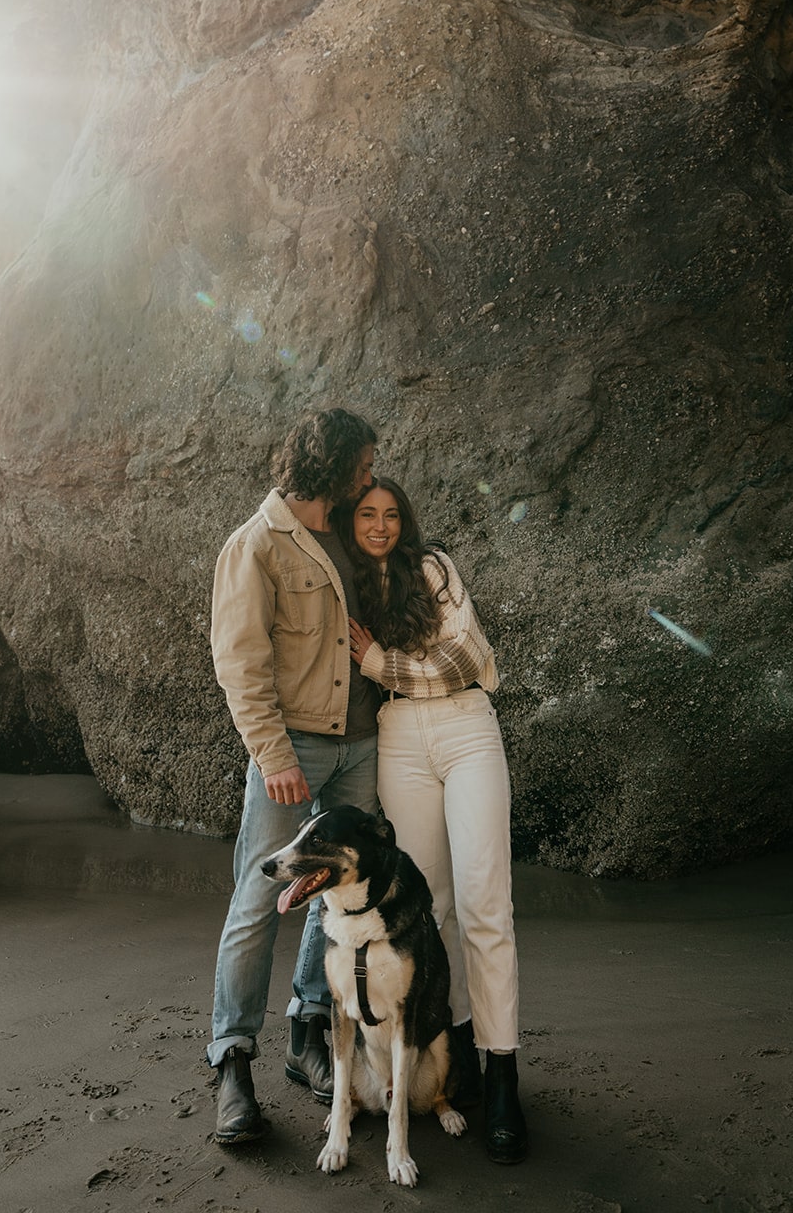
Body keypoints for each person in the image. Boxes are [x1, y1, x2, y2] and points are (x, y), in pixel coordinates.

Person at [337, 478, 527, 1165]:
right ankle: (452, 1058)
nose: (381, 525)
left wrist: (380, 662)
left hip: (466, 730)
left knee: (485, 906)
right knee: (429, 908)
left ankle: (502, 1073)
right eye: (367, 514)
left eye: (391, 514)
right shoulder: (347, 586)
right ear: (348, 522)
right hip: (397, 743)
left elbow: (466, 658)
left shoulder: (433, 567)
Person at [207, 407, 380, 1145]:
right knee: (260, 893)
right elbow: (239, 662)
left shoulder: (341, 535)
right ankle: (231, 1061)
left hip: (363, 746)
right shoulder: (255, 545)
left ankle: (306, 1031)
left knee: (329, 894)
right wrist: (273, 755)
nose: (371, 476)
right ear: (335, 465)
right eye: (363, 464)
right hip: (296, 750)